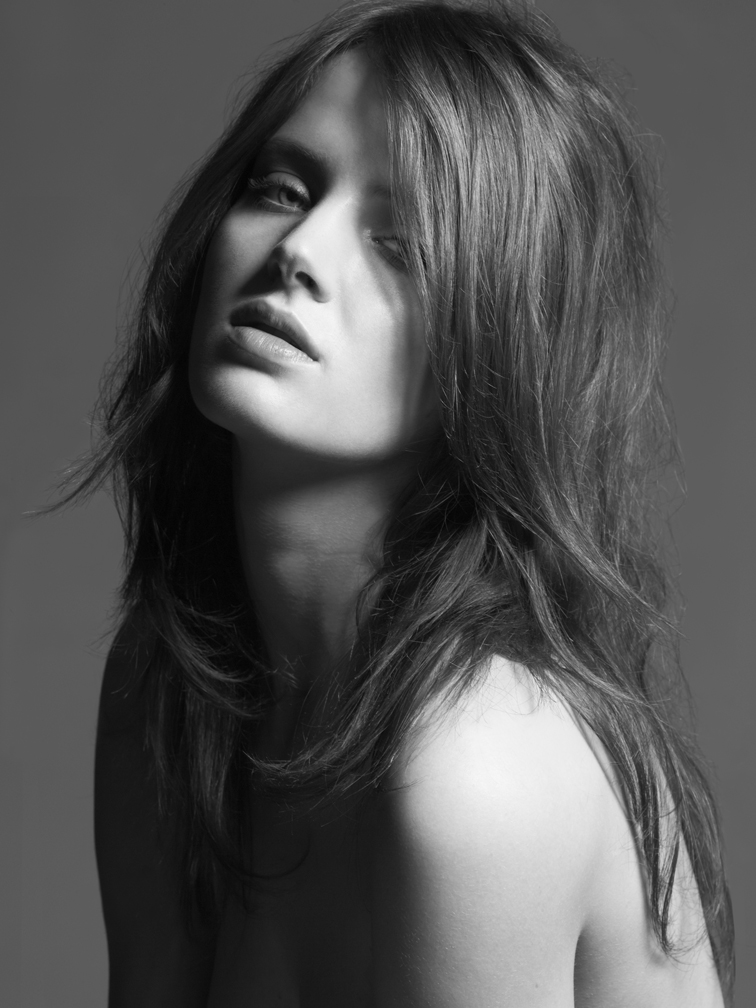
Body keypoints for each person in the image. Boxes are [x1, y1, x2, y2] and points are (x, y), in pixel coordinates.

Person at [71, 0, 734, 1004]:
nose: (299, 251)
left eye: (402, 243)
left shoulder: (474, 769)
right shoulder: (170, 690)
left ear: (497, 345)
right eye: (282, 189)